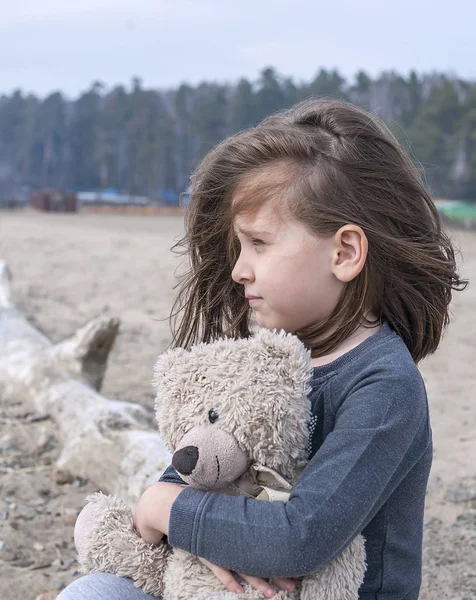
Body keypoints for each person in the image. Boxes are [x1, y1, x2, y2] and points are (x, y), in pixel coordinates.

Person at [58, 98, 467, 600]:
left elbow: (302, 536)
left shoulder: (385, 387)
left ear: (344, 253)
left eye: (258, 243)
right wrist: (187, 516)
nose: (238, 270)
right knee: (95, 590)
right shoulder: (261, 360)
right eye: (238, 247)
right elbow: (193, 471)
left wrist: (169, 510)